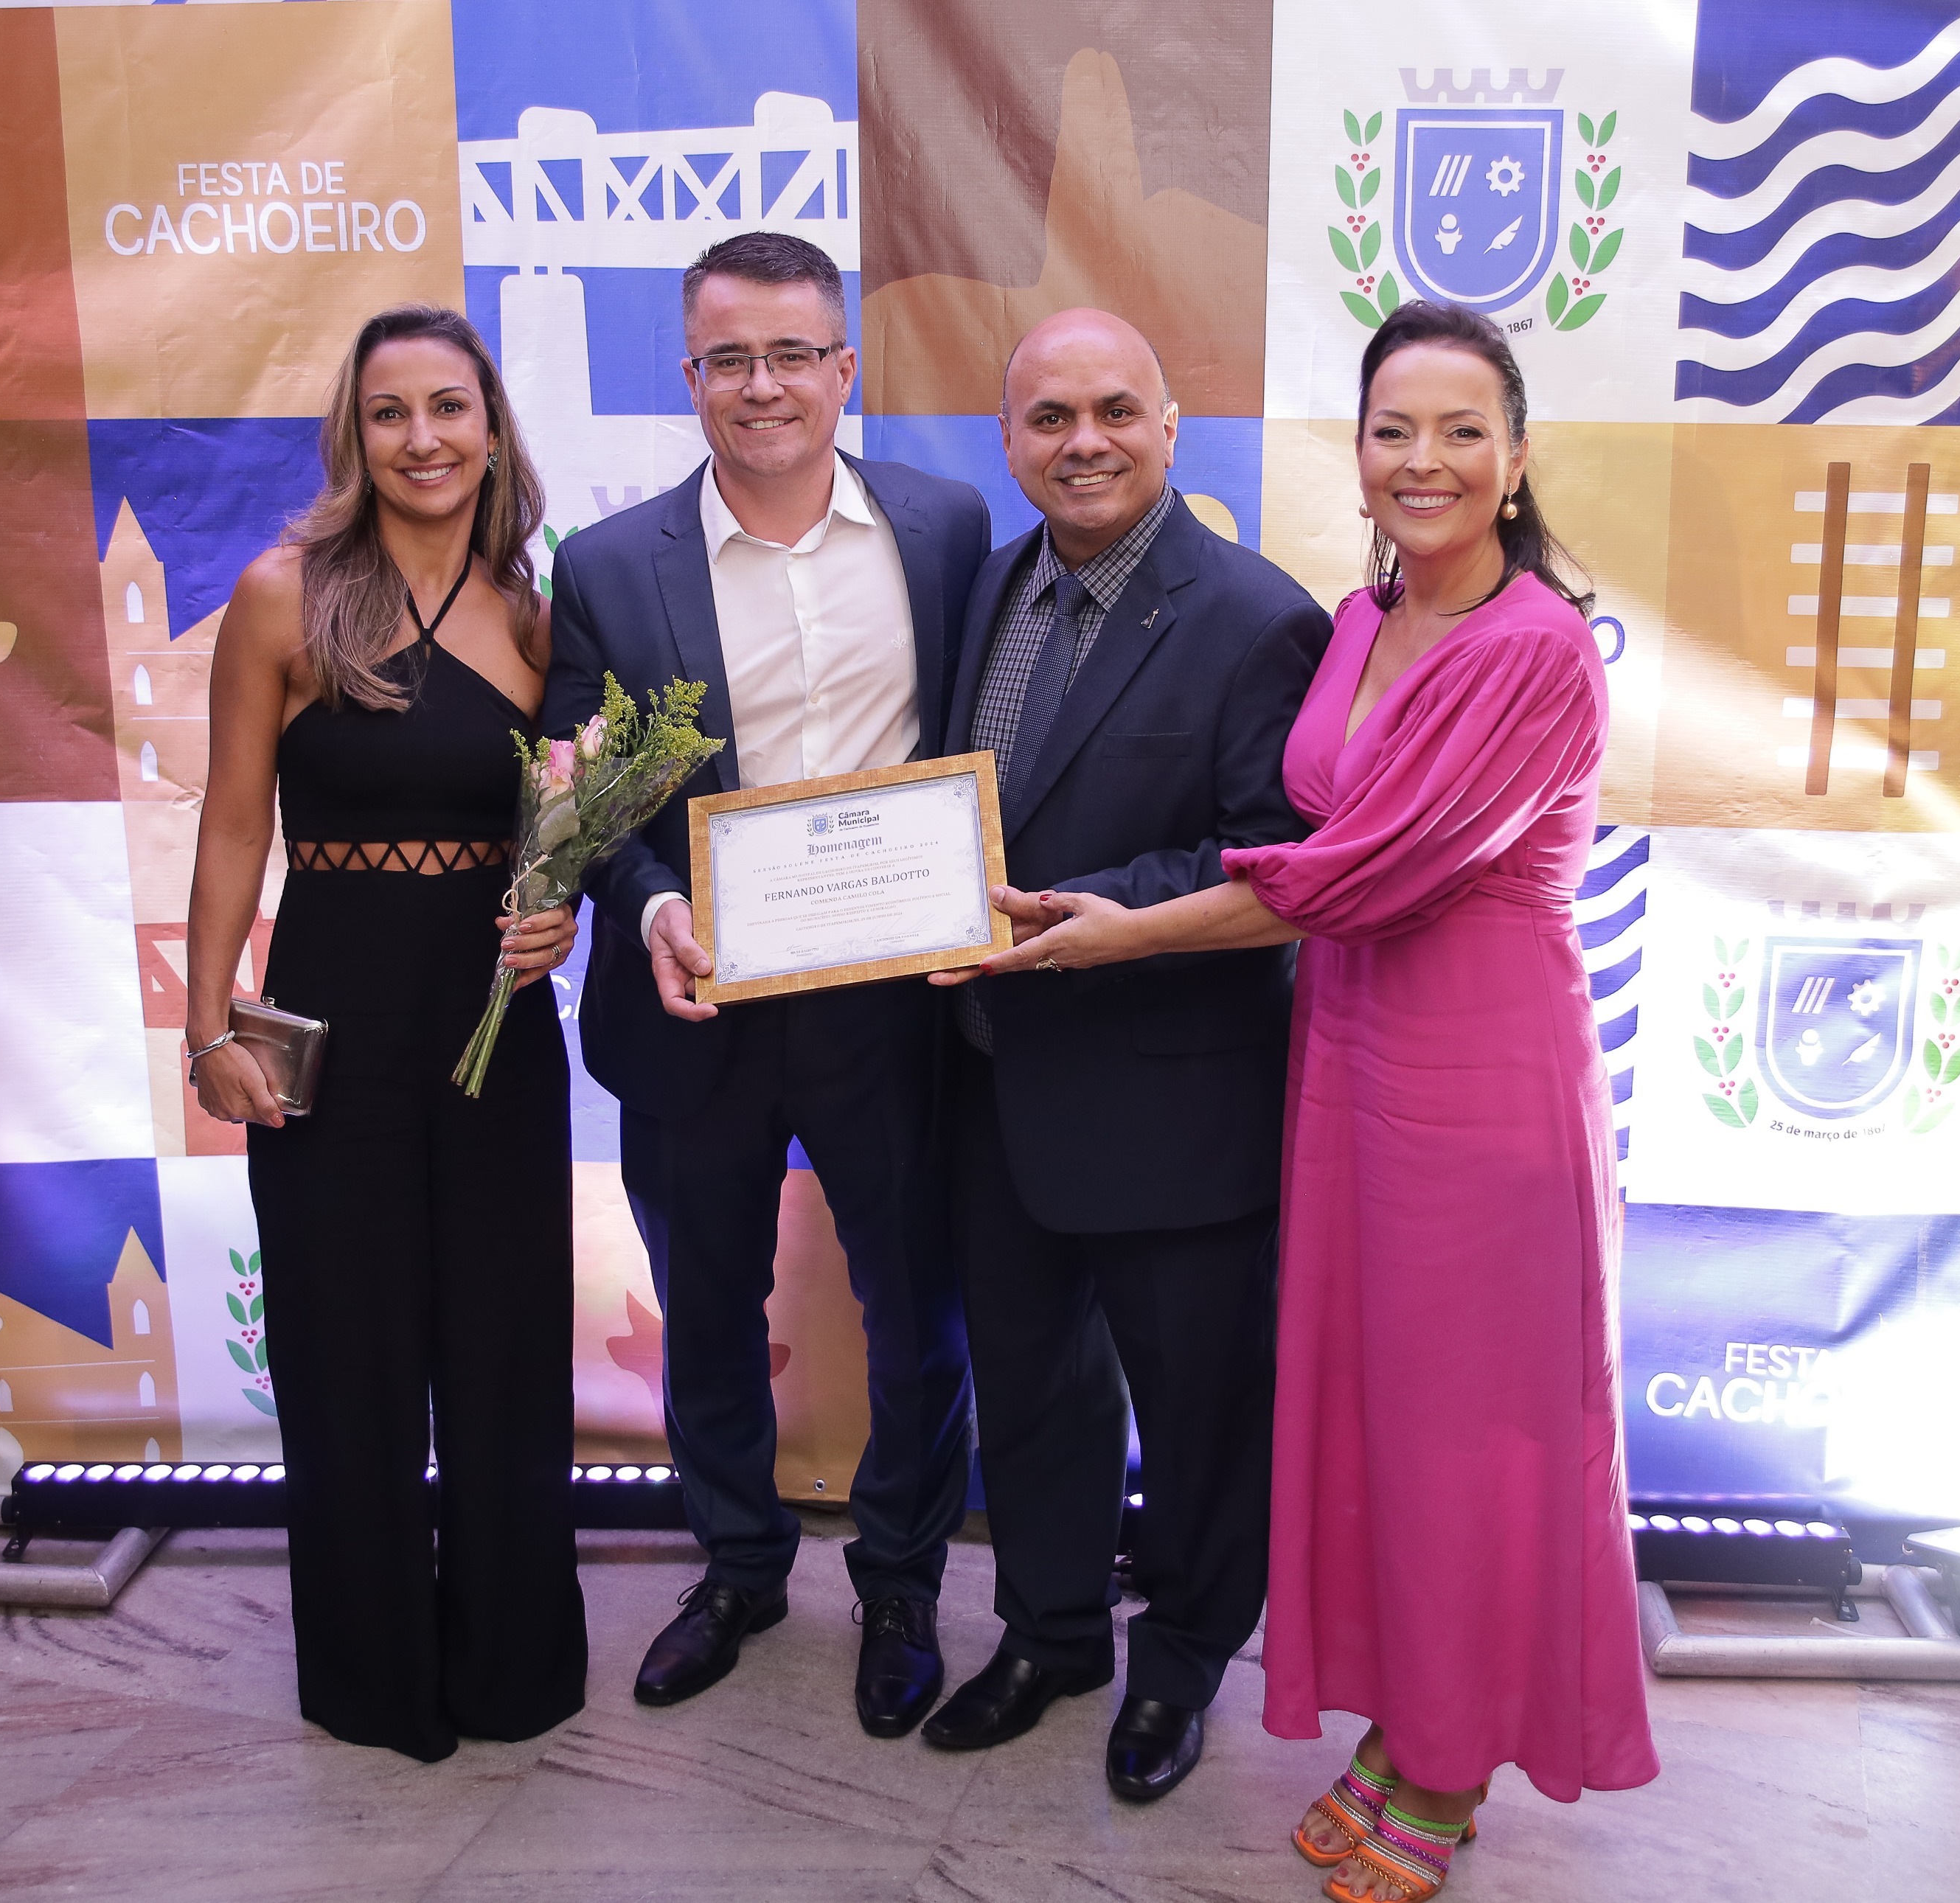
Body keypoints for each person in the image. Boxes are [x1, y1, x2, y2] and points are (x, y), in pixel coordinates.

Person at [976, 300, 1660, 1894]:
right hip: (1346, 1060)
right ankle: (1411, 1719)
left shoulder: (1536, 648)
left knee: (1473, 1432)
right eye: (1392, 430)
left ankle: (1453, 1759)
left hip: (1480, 1079)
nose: (1423, 461)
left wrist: (1116, 928)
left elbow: (1353, 874)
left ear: (1516, 457)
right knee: (1378, 1419)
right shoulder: (1363, 618)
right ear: (1354, 454)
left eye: (1461, 432)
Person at [542, 232, 993, 1736]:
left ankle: (902, 1582)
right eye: (730, 357)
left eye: (793, 353)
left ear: (843, 367)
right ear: (689, 376)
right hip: (698, 1006)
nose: (763, 384)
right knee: (707, 1310)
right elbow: (583, 796)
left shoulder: (944, 528)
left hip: (895, 1006)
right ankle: (738, 1566)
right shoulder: (608, 568)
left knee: (916, 1311)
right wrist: (651, 901)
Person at [915, 308, 1331, 1803]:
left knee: (1199, 1412)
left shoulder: (1256, 618)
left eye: (1112, 411)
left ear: (1169, 427)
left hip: (1172, 1100)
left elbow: (1274, 864)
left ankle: (1181, 1662)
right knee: (1031, 1392)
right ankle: (1051, 1636)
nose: (1081, 442)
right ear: (1006, 439)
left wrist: (1100, 913)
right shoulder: (986, 584)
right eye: (1048, 418)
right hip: (993, 1082)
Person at [185, 304, 586, 1762]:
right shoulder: (282, 596)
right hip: (330, 1022)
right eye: (390, 411)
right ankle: (370, 1675)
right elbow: (234, 825)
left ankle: (510, 1667)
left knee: (501, 1349)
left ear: (492, 427)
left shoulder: (539, 616)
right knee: (343, 1351)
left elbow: (565, 831)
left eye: (448, 407)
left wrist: (562, 912)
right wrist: (205, 1028)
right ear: (354, 437)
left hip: (493, 1032)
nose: (423, 438)